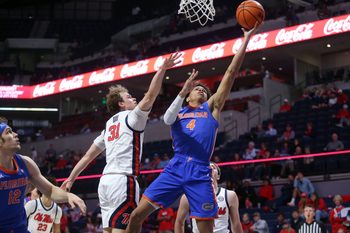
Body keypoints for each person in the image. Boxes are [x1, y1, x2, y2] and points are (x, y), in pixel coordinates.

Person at [126, 24, 259, 233]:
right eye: (197, 88)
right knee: (135, 216)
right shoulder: (178, 112)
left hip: (200, 171)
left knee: (206, 228)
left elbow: (231, 73)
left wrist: (246, 40)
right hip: (176, 167)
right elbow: (167, 118)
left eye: (204, 90)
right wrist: (180, 93)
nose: (201, 90)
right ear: (188, 95)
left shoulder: (211, 108)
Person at [60, 53, 181, 233]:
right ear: (121, 104)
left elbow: (88, 156)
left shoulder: (108, 126)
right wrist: (162, 69)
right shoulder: (133, 118)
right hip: (123, 182)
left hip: (105, 183)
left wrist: (71, 178)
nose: (134, 98)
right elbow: (150, 97)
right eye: (129, 97)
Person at [0, 118, 86, 233]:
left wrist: (68, 196)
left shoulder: (25, 163)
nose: (16, 134)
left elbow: (50, 190)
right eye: (9, 132)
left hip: (19, 228)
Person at [174, 162, 243, 233]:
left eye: (213, 167)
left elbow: (236, 224)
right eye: (205, 168)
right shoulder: (189, 196)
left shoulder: (230, 195)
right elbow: (179, 222)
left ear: (218, 176)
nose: (209, 169)